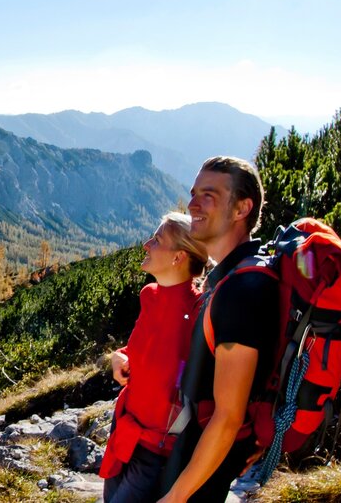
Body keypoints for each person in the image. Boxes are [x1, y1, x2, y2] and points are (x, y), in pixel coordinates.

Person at [158, 156, 279, 502]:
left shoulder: (241, 291)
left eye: (208, 195)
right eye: (194, 193)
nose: (192, 204)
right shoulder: (233, 276)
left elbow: (227, 417)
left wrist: (177, 496)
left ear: (242, 209)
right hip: (202, 447)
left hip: (204, 459)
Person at [100, 212, 208, 502]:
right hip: (124, 431)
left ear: (178, 258)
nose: (147, 244)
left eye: (157, 240)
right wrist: (117, 357)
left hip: (157, 450)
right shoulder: (150, 295)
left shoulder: (200, 312)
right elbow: (135, 351)